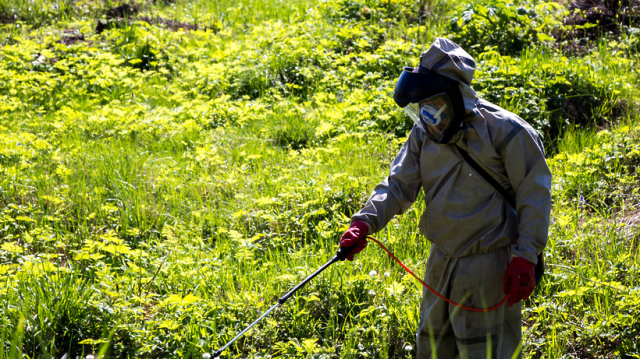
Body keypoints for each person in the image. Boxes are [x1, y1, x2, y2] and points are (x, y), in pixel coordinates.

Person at [339, 38, 552, 358]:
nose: (427, 113)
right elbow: (398, 185)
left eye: (433, 102)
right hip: (440, 261)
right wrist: (364, 222)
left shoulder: (505, 131)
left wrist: (526, 256)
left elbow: (534, 195)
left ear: (454, 96)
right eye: (421, 105)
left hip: (490, 263)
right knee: (432, 348)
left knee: (486, 351)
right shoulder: (424, 133)